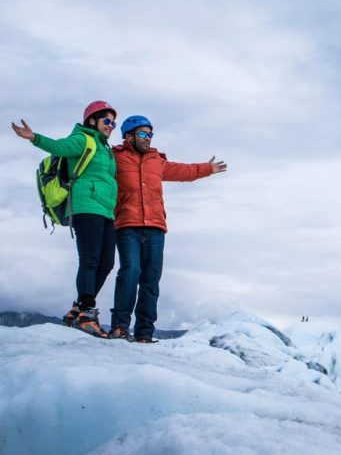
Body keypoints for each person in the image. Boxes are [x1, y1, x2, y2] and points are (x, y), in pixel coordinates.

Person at [109, 115, 227, 343]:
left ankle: (144, 333)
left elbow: (183, 171)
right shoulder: (115, 158)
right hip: (127, 225)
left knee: (151, 280)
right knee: (130, 272)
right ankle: (119, 327)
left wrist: (207, 168)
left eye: (150, 134)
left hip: (155, 228)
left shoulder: (156, 161)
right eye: (143, 134)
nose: (148, 138)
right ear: (129, 135)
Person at [11, 101, 119, 338]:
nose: (112, 126)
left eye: (114, 122)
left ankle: (79, 308)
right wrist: (34, 137)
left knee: (107, 263)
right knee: (90, 260)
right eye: (107, 121)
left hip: (107, 210)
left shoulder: (105, 148)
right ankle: (87, 314)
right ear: (92, 121)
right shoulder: (83, 139)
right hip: (85, 205)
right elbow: (60, 147)